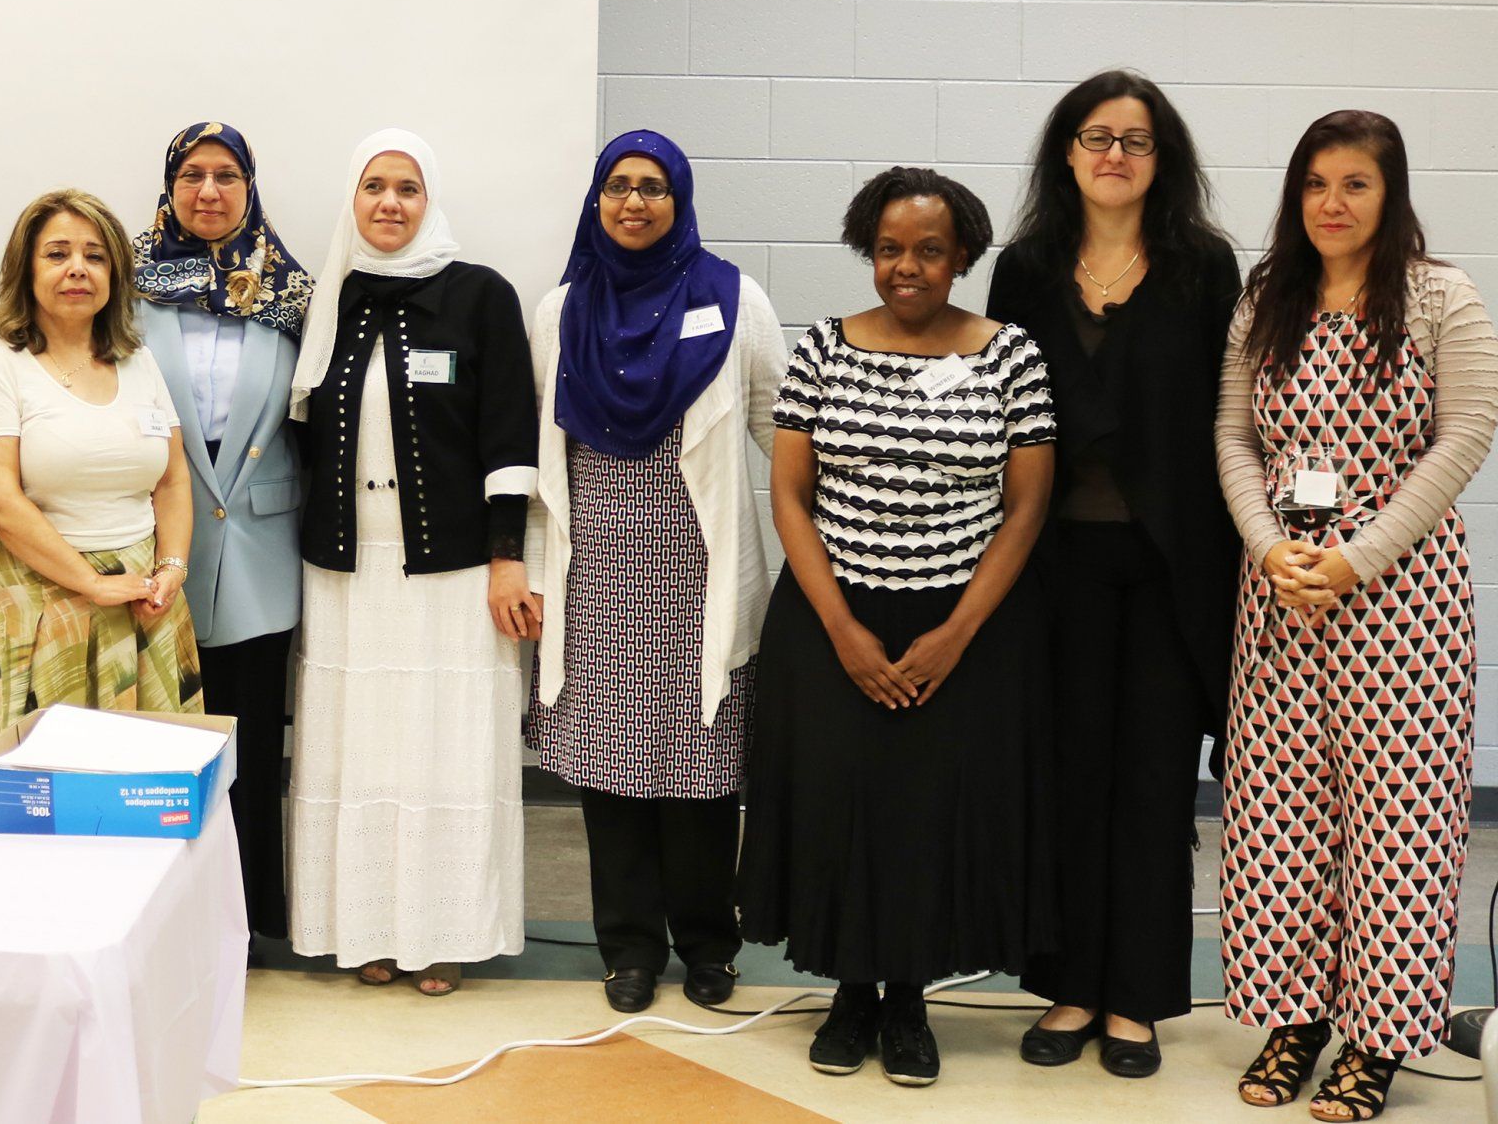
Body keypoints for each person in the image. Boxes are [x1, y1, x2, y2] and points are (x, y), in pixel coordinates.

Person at [737, 167, 1057, 1088]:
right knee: (841, 803)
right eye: (888, 248)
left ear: (963, 255)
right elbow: (790, 494)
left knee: (925, 812)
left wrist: (956, 632)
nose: (906, 267)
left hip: (964, 624)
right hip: (833, 617)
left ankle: (909, 1001)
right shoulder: (823, 348)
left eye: (927, 249)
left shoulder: (1011, 354)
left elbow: (1025, 508)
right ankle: (848, 993)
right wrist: (839, 626)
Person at [1216, 110, 1495, 1122]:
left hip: (1403, 600)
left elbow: (1465, 434)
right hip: (1283, 594)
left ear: (1392, 194)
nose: (1332, 203)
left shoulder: (1438, 296)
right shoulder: (1267, 296)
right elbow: (1234, 433)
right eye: (1316, 183)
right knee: (1279, 818)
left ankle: (1377, 1039)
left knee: (1399, 824)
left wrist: (1358, 558)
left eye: (1356, 185)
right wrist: (1267, 544)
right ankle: (1295, 1019)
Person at [985, 70, 1243, 1078]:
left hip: (1176, 563)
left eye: (1136, 140)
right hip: (1055, 567)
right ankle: (1073, 986)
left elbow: (1228, 420)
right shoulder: (1027, 269)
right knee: (1068, 775)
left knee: (1151, 782)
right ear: (1066, 152)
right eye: (1096, 136)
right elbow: (1007, 418)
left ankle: (1135, 998)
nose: (1115, 155)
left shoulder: (1204, 268)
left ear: (1162, 159)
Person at [524, 129, 785, 1013]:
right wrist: (523, 569)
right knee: (611, 773)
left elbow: (783, 436)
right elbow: (535, 454)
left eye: (653, 187)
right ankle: (628, 948)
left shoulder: (736, 300)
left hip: (697, 573)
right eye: (618, 186)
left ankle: (710, 945)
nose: (634, 202)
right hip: (594, 569)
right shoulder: (559, 309)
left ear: (680, 200)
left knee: (702, 773)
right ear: (597, 201)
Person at [286, 129, 537, 997]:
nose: (389, 202)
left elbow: (511, 438)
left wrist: (511, 561)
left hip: (456, 569)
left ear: (431, 202)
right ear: (351, 201)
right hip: (349, 569)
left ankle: (445, 929)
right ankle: (367, 927)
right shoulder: (329, 297)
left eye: (407, 187)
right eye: (373, 186)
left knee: (446, 748)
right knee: (359, 750)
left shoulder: (481, 296)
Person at [133, 121, 312, 941]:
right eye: (193, 175)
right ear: (170, 186)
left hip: (261, 553)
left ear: (251, 187)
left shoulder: (294, 295)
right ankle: (165, 924)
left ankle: (248, 924)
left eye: (227, 175)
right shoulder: (126, 288)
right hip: (154, 557)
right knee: (160, 752)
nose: (209, 191)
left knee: (249, 751)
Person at [0, 190, 201, 755]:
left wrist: (173, 567)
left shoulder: (138, 361)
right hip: (33, 602)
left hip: (142, 599)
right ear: (26, 269)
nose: (77, 269)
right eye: (57, 254)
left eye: (95, 255)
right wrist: (88, 583)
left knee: (142, 790)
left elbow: (172, 479)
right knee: (30, 791)